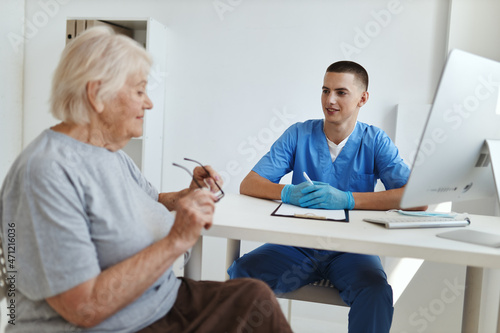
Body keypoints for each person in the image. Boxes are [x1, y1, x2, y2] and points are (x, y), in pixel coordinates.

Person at [0, 27, 292, 333]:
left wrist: (185, 195)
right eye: (139, 91)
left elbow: (149, 201)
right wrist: (176, 240)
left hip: (158, 301)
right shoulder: (46, 173)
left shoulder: (109, 152)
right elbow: (84, 308)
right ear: (96, 94)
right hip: (113, 326)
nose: (149, 103)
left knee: (254, 297)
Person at [228, 61, 426, 333]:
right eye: (325, 90)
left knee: (376, 292)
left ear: (362, 98)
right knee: (243, 273)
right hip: (296, 246)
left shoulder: (375, 141)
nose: (329, 100)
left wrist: (349, 200)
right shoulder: (299, 134)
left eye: (341, 92)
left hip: (352, 250)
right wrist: (287, 192)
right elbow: (249, 184)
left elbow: (416, 199)